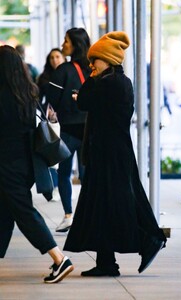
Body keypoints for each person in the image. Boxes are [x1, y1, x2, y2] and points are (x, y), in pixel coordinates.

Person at [64, 31, 167, 276]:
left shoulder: (109, 83)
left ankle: (150, 238)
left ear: (107, 59)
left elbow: (84, 101)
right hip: (113, 152)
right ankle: (107, 262)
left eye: (95, 60)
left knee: (117, 203)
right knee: (108, 204)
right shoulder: (118, 81)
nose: (91, 65)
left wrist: (89, 80)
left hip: (110, 154)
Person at [0, 45, 73, 284]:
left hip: (8, 165)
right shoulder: (27, 93)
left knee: (24, 213)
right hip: (25, 165)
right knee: (4, 212)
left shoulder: (3, 96)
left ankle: (59, 259)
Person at [47, 28, 91, 232]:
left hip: (68, 130)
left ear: (75, 44)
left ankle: (68, 215)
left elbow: (52, 98)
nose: (63, 45)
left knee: (64, 172)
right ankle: (86, 216)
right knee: (86, 175)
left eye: (66, 41)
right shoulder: (93, 69)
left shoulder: (63, 70)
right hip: (89, 129)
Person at [37, 48, 66, 201]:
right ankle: (54, 185)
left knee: (64, 153)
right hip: (49, 119)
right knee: (53, 152)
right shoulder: (44, 78)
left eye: (57, 57)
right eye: (52, 57)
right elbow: (39, 99)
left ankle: (63, 185)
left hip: (66, 119)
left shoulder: (68, 74)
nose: (55, 60)